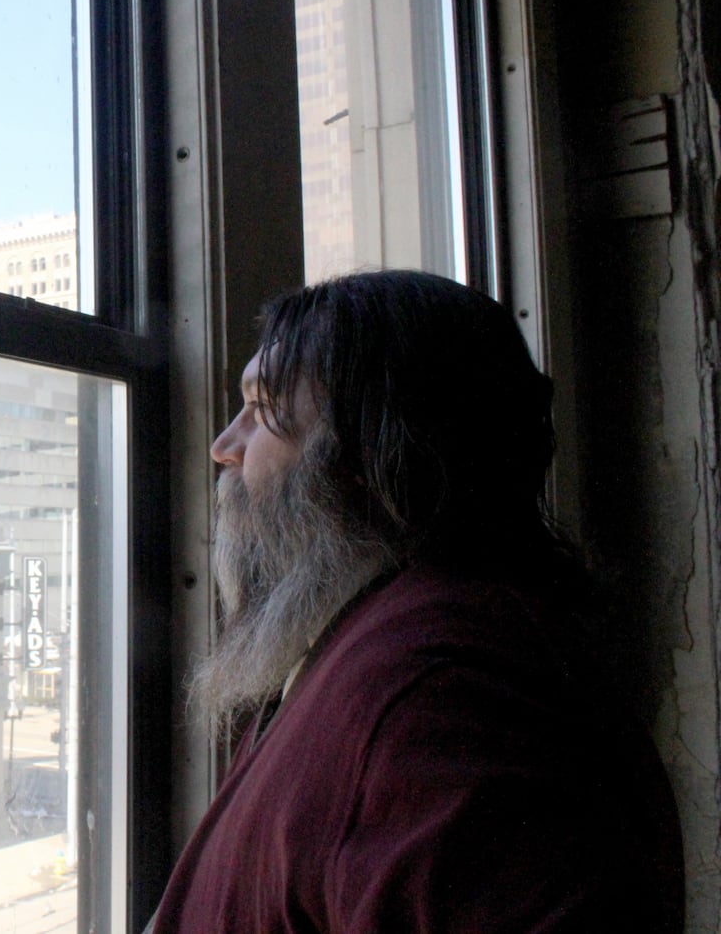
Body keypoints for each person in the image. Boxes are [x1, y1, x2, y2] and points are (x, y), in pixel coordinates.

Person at [151, 270, 684, 933]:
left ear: (368, 452)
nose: (223, 446)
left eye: (263, 411)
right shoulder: (382, 644)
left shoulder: (441, 695)